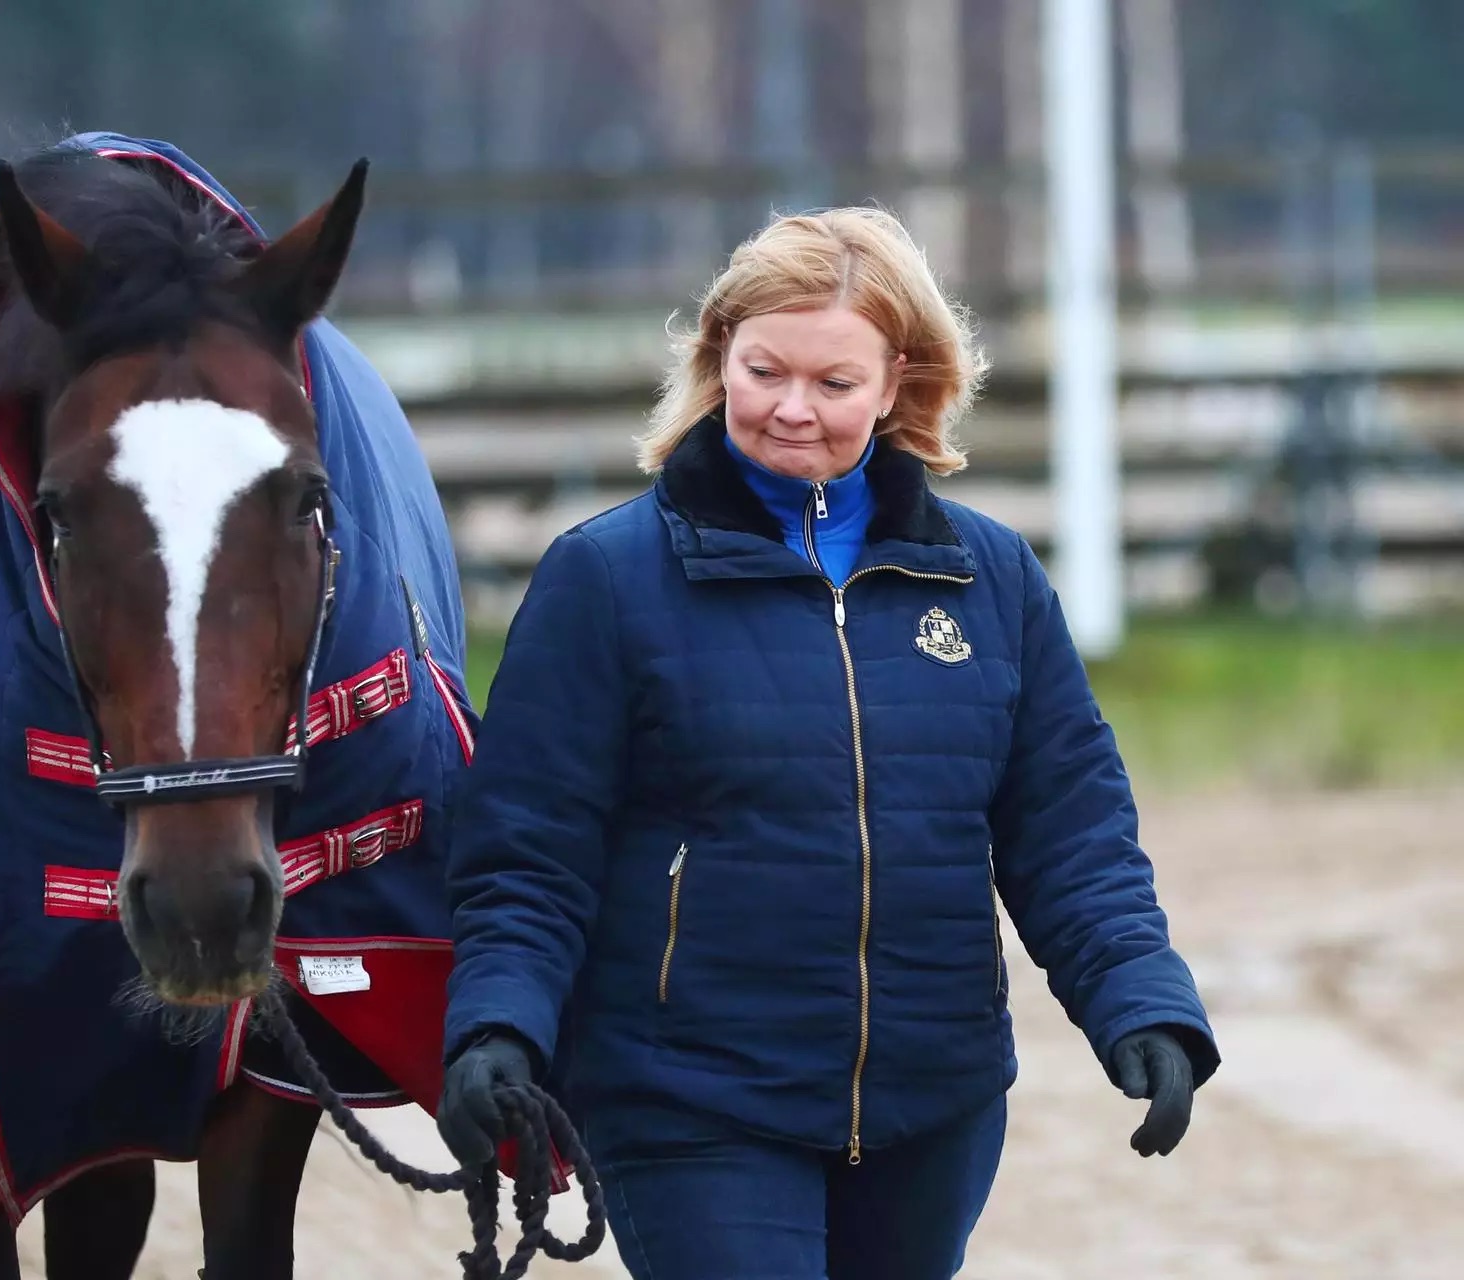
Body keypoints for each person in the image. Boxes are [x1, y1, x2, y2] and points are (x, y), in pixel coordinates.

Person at [432, 206, 1220, 1279]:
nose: (791, 409)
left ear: (898, 380)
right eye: (763, 370)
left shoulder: (989, 580)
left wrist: (1141, 997)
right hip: (688, 1098)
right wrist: (498, 1028)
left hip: (932, 1105)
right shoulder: (604, 579)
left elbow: (1069, 825)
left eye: (834, 383)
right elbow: (528, 846)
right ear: (719, 359)